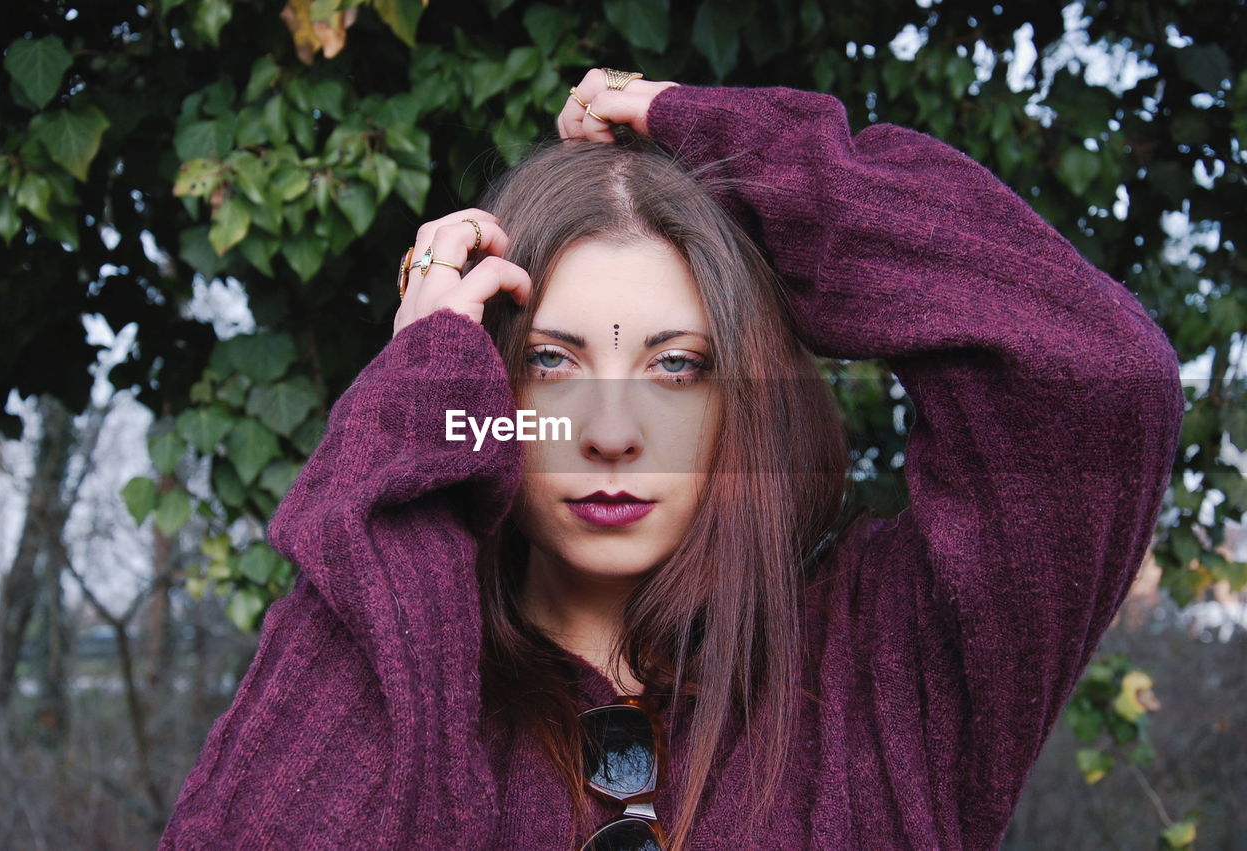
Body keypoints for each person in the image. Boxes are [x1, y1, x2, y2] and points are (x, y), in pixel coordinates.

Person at [157, 68, 1184, 850]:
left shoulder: (885, 665)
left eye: (677, 366)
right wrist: (409, 432)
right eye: (552, 365)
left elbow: (1094, 377)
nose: (609, 430)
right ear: (488, 392)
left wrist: (732, 145)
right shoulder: (412, 671)